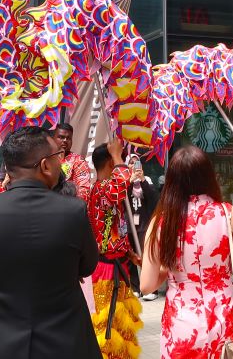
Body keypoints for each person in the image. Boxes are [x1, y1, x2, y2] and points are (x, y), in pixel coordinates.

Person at [0, 126, 101, 359]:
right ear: (45, 165)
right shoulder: (74, 211)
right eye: (57, 157)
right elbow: (87, 266)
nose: (60, 163)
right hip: (63, 342)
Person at [140, 145, 233, 358]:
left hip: (183, 323)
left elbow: (146, 286)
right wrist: (220, 272)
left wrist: (171, 271)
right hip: (225, 316)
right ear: (208, 175)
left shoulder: (161, 221)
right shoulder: (227, 213)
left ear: (172, 180)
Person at [88, 140, 142, 358]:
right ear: (111, 162)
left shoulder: (107, 190)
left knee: (122, 327)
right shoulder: (102, 189)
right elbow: (121, 185)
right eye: (118, 160)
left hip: (119, 267)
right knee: (107, 329)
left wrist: (129, 253)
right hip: (105, 271)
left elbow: (117, 228)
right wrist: (117, 154)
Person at [126, 153, 160, 301]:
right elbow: (121, 200)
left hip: (145, 225)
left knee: (147, 256)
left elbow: (154, 200)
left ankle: (152, 289)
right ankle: (135, 287)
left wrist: (142, 180)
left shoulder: (147, 181)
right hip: (129, 225)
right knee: (131, 256)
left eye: (136, 163)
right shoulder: (125, 182)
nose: (134, 166)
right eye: (131, 163)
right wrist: (128, 183)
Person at [55, 122, 93, 202]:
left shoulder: (78, 161)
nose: (65, 140)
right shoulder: (45, 158)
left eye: (68, 138)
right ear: (53, 138)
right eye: (61, 137)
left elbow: (84, 190)